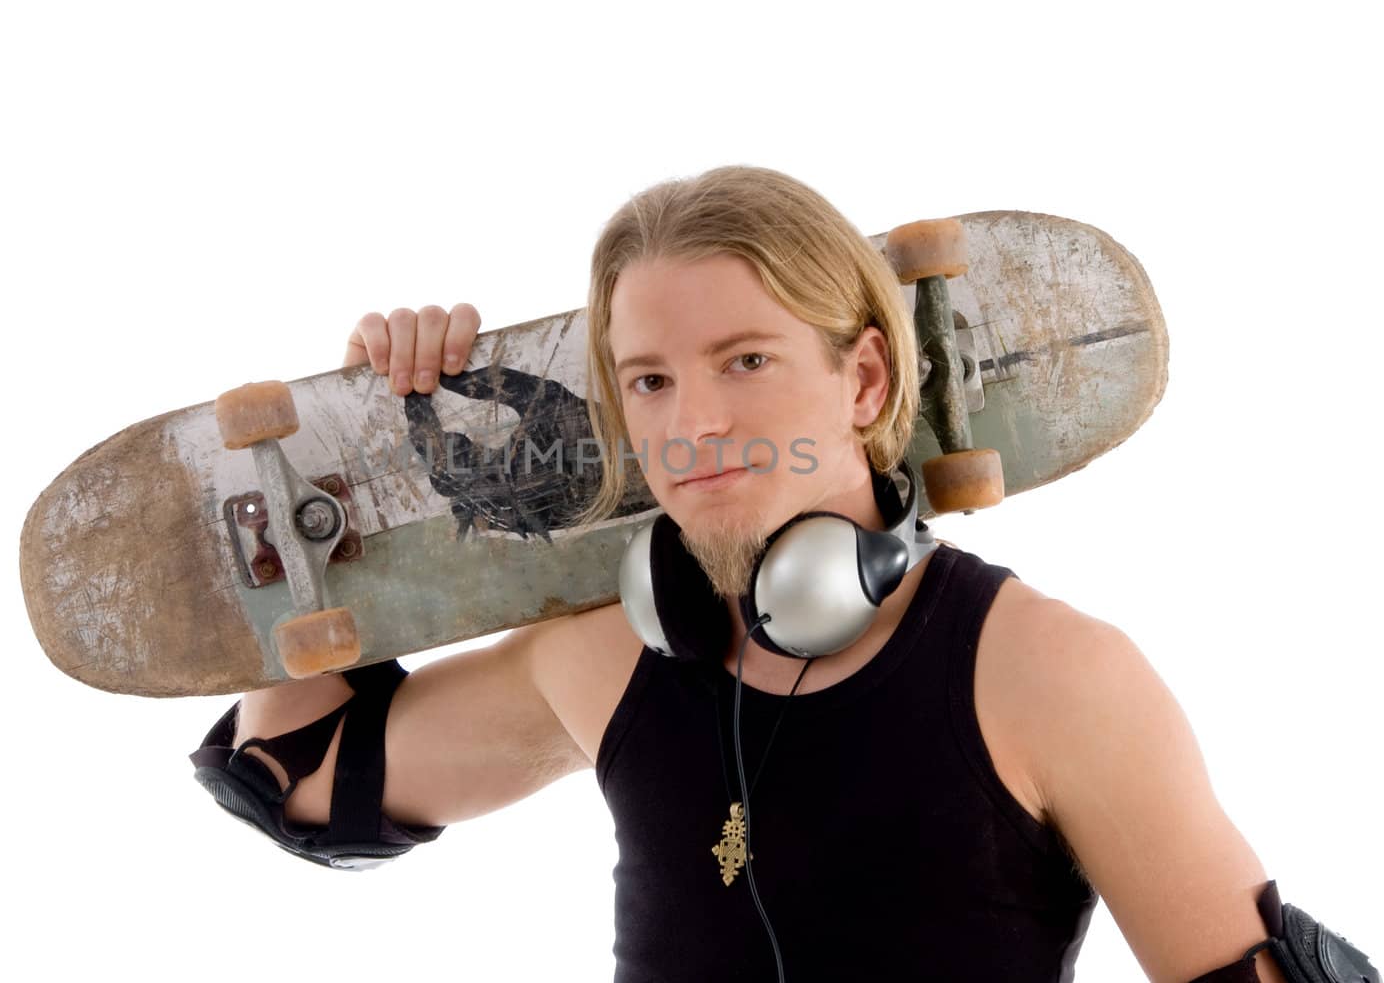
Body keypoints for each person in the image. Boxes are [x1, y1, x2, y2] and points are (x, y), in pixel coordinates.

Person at [190, 167, 1358, 982]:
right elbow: (296, 775)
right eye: (648, 380)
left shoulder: (1046, 674)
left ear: (859, 382)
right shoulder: (611, 652)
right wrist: (358, 458)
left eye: (743, 360)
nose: (692, 421)